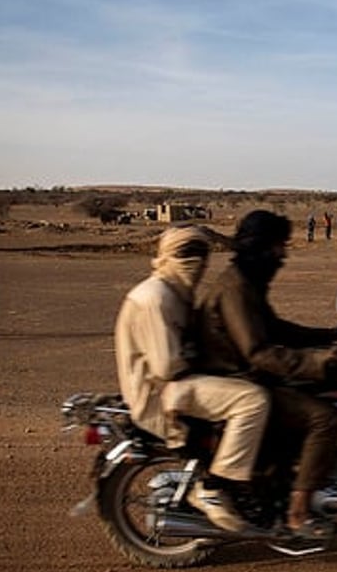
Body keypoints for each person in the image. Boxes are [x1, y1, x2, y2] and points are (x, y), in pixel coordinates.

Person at [196, 210, 337, 536]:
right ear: (261, 246)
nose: (283, 255)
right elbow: (259, 351)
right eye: (279, 246)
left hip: (247, 375)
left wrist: (328, 336)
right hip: (238, 378)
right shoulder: (235, 288)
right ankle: (298, 512)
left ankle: (284, 478)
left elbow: (276, 328)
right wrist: (320, 364)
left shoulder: (246, 282)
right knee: (324, 417)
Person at [114, 226, 270, 532]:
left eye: (201, 254)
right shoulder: (155, 298)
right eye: (186, 254)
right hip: (159, 393)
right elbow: (167, 365)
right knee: (253, 400)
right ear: (166, 256)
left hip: (173, 383)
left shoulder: (174, 292)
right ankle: (214, 486)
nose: (196, 262)